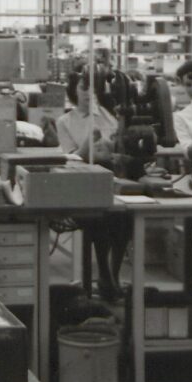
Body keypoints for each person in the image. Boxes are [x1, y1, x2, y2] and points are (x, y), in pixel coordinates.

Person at [56, 68, 131, 299]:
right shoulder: (64, 121)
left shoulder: (108, 115)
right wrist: (90, 144)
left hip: (109, 176)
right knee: (100, 218)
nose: (89, 94)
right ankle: (106, 276)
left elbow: (118, 149)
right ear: (73, 90)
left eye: (93, 88)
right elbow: (71, 158)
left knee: (125, 217)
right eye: (83, 88)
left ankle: (112, 275)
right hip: (79, 181)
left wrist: (118, 150)